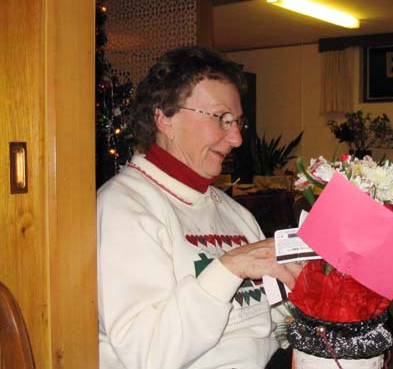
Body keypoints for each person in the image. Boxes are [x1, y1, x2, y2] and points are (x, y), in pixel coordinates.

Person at [97, 45, 300, 369]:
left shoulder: (234, 213)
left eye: (237, 123)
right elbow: (148, 355)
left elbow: (272, 323)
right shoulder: (125, 209)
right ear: (164, 117)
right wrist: (228, 268)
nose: (235, 138)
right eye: (222, 119)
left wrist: (313, 301)